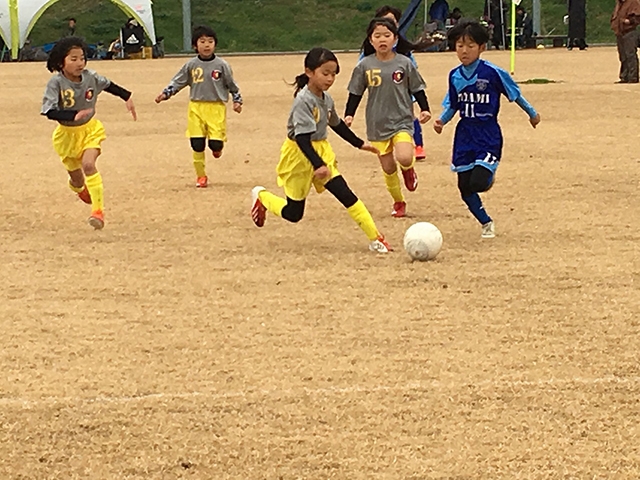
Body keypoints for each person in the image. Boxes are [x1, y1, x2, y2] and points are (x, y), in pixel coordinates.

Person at [250, 47, 391, 254]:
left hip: (321, 151)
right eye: (325, 73)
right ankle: (262, 197)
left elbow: (337, 124)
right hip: (298, 155)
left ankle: (376, 238)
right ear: (309, 72)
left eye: (333, 74)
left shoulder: (327, 99)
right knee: (294, 213)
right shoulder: (303, 101)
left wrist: (360, 144)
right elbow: (302, 139)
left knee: (346, 194)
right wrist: (318, 164)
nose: (330, 79)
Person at [433, 19, 540, 239]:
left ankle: (488, 175)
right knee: (465, 187)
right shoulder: (454, 75)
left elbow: (515, 94)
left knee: (479, 182)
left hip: (487, 133)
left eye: (470, 45)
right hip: (464, 134)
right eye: (460, 46)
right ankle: (486, 222)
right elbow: (453, 104)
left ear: (482, 48)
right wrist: (442, 121)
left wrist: (532, 113)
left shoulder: (492, 72)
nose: (464, 51)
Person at [41, 37, 137, 229]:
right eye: (73, 59)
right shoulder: (56, 83)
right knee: (77, 180)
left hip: (89, 130)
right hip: (66, 135)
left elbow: (109, 85)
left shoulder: (91, 77)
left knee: (88, 164)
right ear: (61, 62)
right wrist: (73, 114)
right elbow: (49, 111)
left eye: (82, 58)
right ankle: (79, 188)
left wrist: (127, 97)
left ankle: (98, 212)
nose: (80, 63)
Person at [345, 17, 431, 219]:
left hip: (402, 120)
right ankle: (398, 202)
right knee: (388, 167)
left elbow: (417, 88)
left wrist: (424, 108)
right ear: (370, 40)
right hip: (377, 123)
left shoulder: (404, 63)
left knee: (403, 156)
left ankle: (409, 170)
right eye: (377, 36)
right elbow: (355, 93)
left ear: (395, 39)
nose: (382, 39)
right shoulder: (364, 65)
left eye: (387, 35)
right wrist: (349, 114)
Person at [155, 25, 242, 188]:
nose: (206, 45)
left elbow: (232, 85)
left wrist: (237, 100)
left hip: (216, 108)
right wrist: (166, 94)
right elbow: (178, 81)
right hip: (196, 107)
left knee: (215, 144)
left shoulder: (222, 65)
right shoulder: (191, 65)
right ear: (195, 45)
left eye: (210, 41)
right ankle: (201, 176)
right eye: (202, 41)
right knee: (197, 143)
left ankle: (217, 148)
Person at [364, 5, 428, 161]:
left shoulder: (402, 47)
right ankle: (391, 142)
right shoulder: (373, 47)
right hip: (383, 89)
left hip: (402, 86)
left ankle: (418, 145)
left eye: (393, 21)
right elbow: (364, 66)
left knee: (408, 114)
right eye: (386, 20)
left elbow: (412, 67)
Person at [611, 0, 640, 83]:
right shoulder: (619, 3)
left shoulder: (633, 2)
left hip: (629, 32)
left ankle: (633, 77)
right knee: (623, 56)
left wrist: (630, 21)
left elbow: (638, 16)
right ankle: (624, 76)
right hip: (619, 32)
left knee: (630, 55)